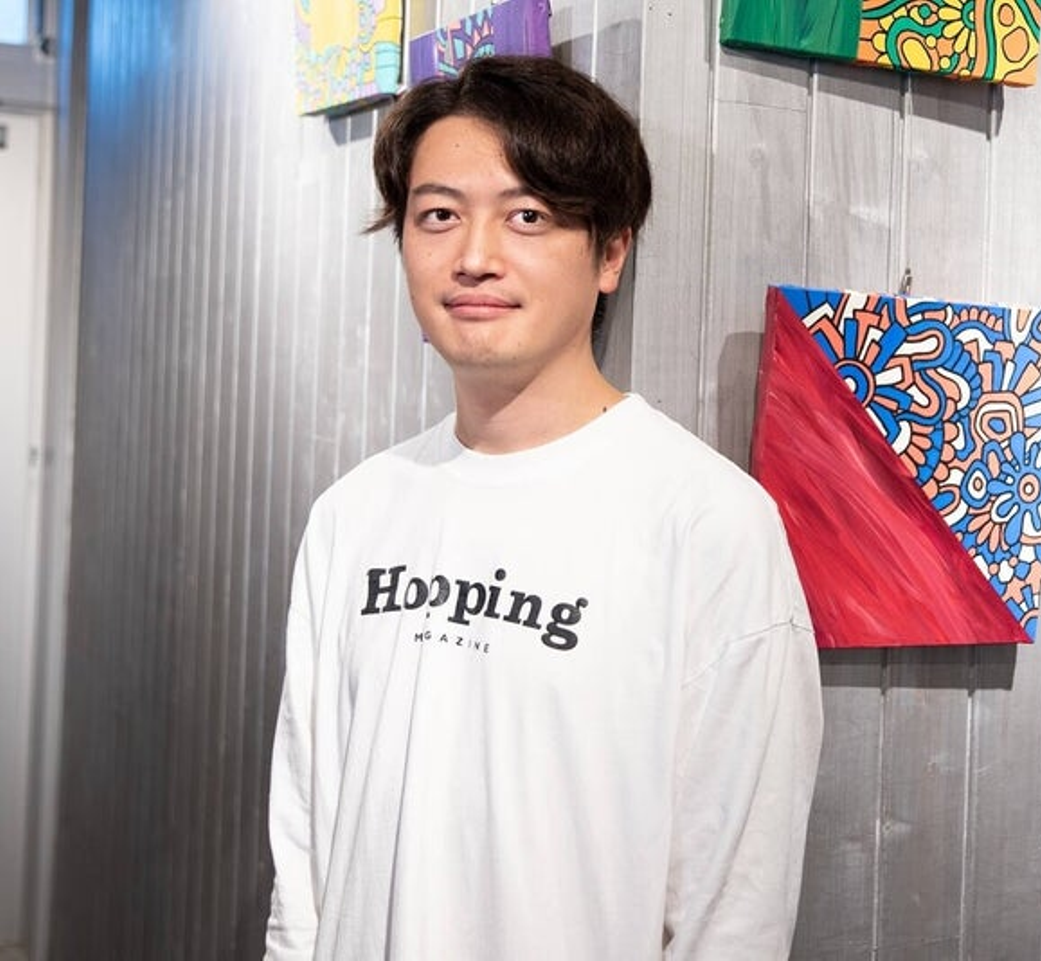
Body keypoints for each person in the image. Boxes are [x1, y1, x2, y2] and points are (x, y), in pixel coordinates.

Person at [263, 55, 824, 959]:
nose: (474, 257)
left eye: (527, 215)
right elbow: (304, 848)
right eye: (438, 215)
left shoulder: (707, 523)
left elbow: (736, 908)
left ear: (611, 252)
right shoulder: (353, 515)